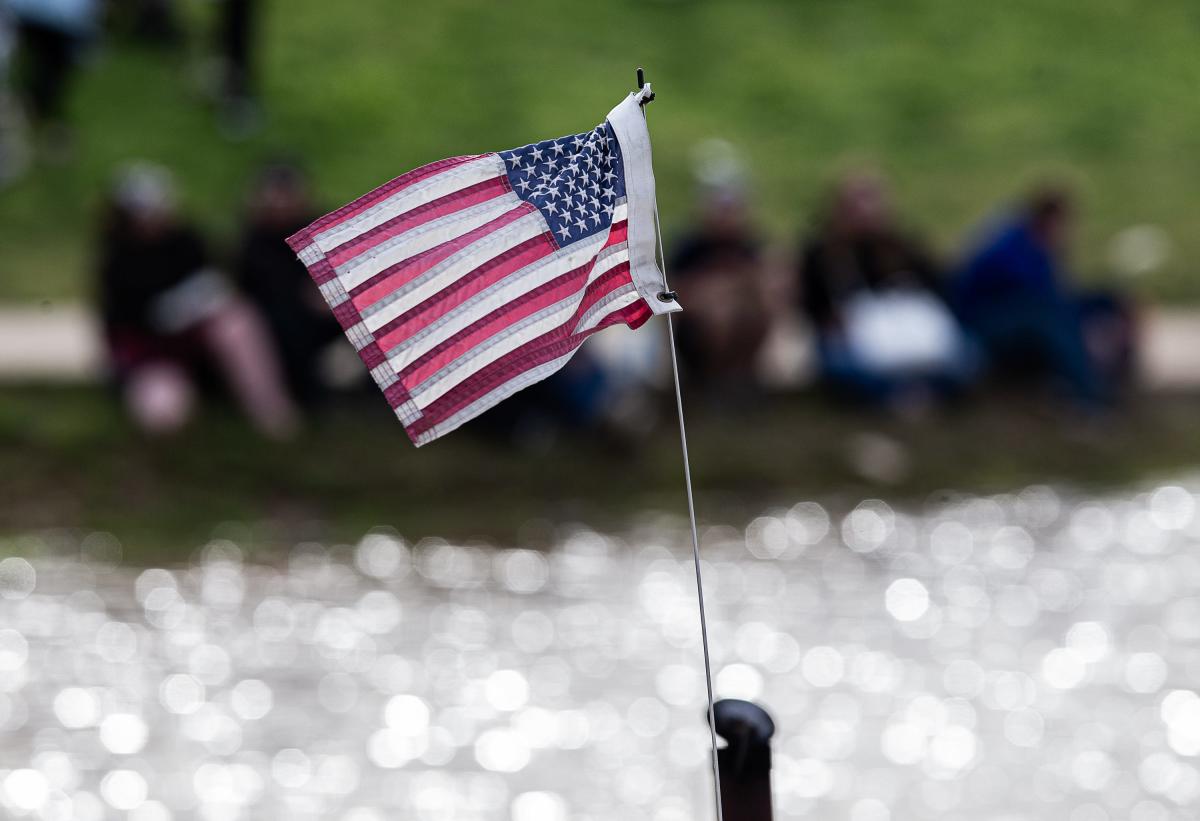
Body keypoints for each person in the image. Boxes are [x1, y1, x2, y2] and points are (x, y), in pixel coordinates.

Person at [97, 163, 299, 438]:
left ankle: (271, 411)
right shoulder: (117, 261)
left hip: (198, 348)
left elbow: (215, 285)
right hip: (153, 358)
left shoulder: (187, 242)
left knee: (238, 321)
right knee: (163, 412)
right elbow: (125, 326)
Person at [798, 171, 974, 407]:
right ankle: (903, 393)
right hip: (855, 341)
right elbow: (810, 305)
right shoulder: (820, 253)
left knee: (968, 359)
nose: (865, 212)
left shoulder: (904, 245)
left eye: (871, 201)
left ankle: (915, 390)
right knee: (840, 366)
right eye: (855, 204)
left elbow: (938, 286)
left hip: (910, 338)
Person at [953, 186, 1135, 405]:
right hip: (978, 327)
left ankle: (1097, 387)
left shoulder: (1029, 246)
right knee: (1052, 319)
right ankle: (1088, 397)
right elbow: (1047, 300)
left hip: (1012, 320)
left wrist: (1108, 301)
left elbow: (1059, 297)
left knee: (1079, 312)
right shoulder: (1012, 250)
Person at [233, 163, 343, 406]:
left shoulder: (319, 230)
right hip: (274, 324)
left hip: (321, 322)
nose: (281, 203)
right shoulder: (254, 238)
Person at [669, 180, 769, 400]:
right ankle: (712, 379)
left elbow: (763, 283)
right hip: (696, 326)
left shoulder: (748, 246)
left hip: (741, 318)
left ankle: (741, 375)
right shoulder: (689, 248)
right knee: (718, 315)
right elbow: (674, 293)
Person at [5, 0, 98, 156]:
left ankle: (28, 127)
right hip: (61, 19)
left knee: (39, 82)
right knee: (43, 83)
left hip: (45, 16)